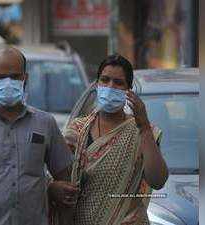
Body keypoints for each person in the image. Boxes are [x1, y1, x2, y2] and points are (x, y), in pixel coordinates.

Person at [0, 46, 78, 225]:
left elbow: (65, 184)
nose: (8, 82)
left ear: (25, 78)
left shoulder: (45, 123)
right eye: (1, 77)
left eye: (15, 76)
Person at [52, 54, 169, 225]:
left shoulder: (142, 131)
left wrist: (143, 126)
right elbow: (55, 177)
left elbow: (158, 180)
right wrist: (53, 189)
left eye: (118, 82)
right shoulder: (76, 131)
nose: (110, 86)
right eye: (105, 80)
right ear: (97, 84)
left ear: (129, 89)